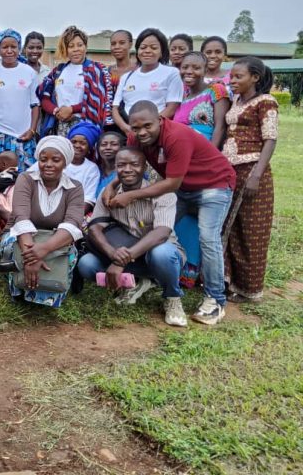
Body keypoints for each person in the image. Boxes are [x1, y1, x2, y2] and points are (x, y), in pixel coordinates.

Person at [106, 100, 236, 325]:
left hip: (213, 185)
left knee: (208, 238)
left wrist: (131, 196)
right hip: (184, 187)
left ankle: (215, 300)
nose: (141, 132)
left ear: (160, 120)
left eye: (147, 126)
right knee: (149, 230)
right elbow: (134, 161)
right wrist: (111, 185)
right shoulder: (135, 138)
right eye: (135, 128)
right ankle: (146, 279)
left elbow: (171, 183)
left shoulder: (176, 136)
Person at [78, 147, 188, 326]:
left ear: (144, 167)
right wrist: (112, 253)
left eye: (134, 164)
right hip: (125, 255)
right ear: (115, 168)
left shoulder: (162, 194)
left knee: (161, 252)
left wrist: (119, 261)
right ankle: (134, 282)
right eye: (121, 165)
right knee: (86, 264)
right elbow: (95, 228)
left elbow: (161, 234)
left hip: (160, 257)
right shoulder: (108, 194)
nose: (127, 169)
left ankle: (172, 297)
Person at [0, 136, 84, 308]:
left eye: (56, 160)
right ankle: (20, 289)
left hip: (53, 240)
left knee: (69, 252)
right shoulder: (26, 179)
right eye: (43, 160)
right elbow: (21, 217)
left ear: (65, 163)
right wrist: (31, 257)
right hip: (20, 235)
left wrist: (43, 250)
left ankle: (49, 288)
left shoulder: (75, 187)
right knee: (11, 247)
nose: (48, 164)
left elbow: (72, 224)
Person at [223, 56, 278, 303]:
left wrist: (256, 174)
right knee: (230, 228)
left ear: (254, 77)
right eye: (232, 76)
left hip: (252, 170)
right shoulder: (236, 101)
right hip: (231, 170)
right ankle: (228, 280)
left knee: (252, 231)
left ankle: (249, 289)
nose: (232, 81)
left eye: (238, 76)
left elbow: (270, 139)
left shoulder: (266, 102)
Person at [0, 28, 39, 170]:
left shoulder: (29, 72)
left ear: (19, 49)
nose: (9, 51)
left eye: (13, 47)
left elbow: (35, 104)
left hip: (23, 136)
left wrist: (32, 130)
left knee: (25, 176)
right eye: (5, 47)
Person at [37, 26, 110, 136]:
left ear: (85, 46)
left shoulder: (96, 70)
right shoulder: (58, 71)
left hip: (86, 126)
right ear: (65, 49)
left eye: (80, 45)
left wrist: (72, 109)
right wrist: (56, 111)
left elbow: (97, 101)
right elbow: (44, 97)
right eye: (71, 46)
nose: (76, 49)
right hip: (60, 126)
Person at [111, 28, 183, 135]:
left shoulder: (172, 73)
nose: (147, 51)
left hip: (158, 131)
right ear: (137, 51)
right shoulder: (126, 77)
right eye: (143, 47)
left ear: (162, 52)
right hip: (129, 131)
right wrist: (125, 128)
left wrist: (148, 127)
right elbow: (115, 108)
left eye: (153, 48)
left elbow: (172, 108)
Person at [174, 51, 230, 146]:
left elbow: (220, 127)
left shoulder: (215, 90)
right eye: (184, 67)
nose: (189, 71)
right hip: (181, 152)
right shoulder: (182, 98)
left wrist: (211, 155)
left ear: (205, 71)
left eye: (196, 68)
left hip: (204, 152)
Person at [65, 122, 101, 214]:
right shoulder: (56, 159)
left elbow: (88, 199)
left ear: (89, 147)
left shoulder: (92, 169)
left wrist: (73, 216)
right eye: (74, 142)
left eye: (82, 143)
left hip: (76, 211)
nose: (77, 146)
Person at [106, 29, 138, 128]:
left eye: (122, 43)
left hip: (134, 119)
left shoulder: (139, 70)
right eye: (113, 44)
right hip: (111, 123)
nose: (117, 47)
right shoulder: (107, 72)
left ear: (130, 44)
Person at [95, 131, 124, 200]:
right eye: (104, 144)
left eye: (114, 144)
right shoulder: (94, 170)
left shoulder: (129, 170)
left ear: (122, 147)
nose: (108, 147)